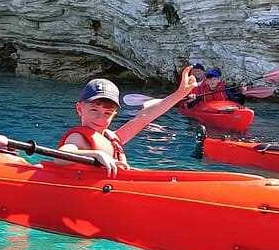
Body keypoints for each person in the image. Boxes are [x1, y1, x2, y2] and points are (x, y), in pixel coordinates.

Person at [57, 66, 198, 175]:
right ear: (80, 108)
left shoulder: (113, 138)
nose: (100, 118)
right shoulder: (78, 138)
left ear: (114, 114)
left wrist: (180, 94)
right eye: (94, 110)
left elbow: (143, 117)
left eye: (107, 113)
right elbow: (59, 157)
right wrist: (95, 154)